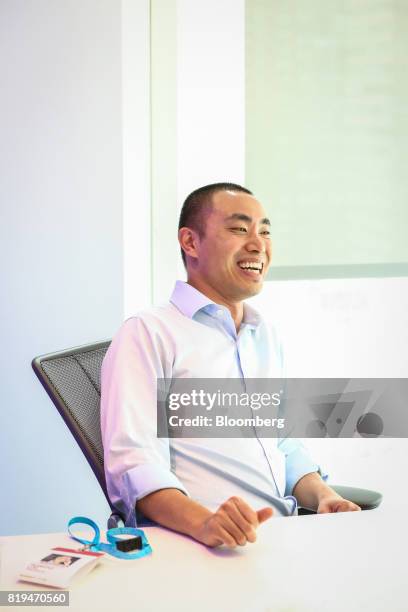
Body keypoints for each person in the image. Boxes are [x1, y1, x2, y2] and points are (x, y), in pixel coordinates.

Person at [101, 183, 360, 549]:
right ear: (190, 243)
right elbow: (134, 465)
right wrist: (206, 523)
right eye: (240, 229)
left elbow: (284, 442)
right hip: (200, 547)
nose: (258, 244)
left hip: (279, 540)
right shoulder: (148, 333)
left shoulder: (264, 334)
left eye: (265, 232)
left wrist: (322, 496)